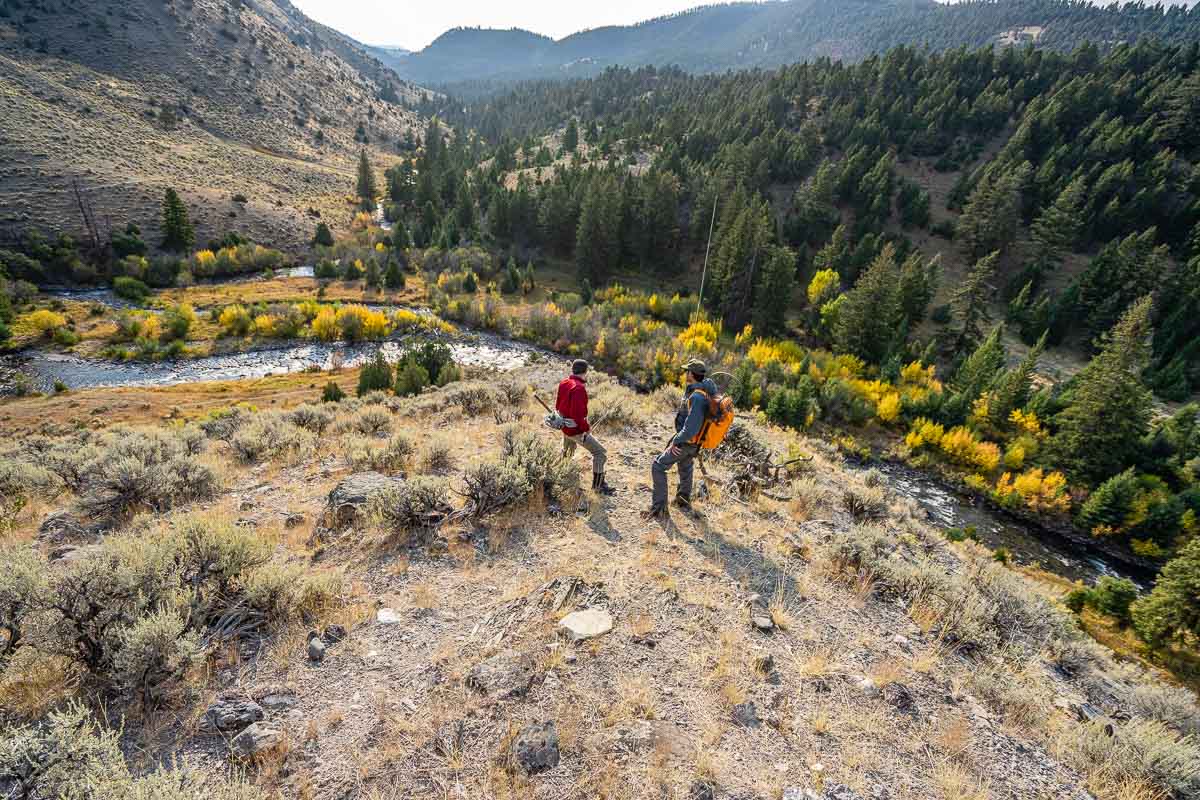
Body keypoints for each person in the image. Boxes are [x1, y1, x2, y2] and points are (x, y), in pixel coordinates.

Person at [645, 360, 718, 518]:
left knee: (658, 466)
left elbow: (691, 429)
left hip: (686, 442)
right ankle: (683, 501)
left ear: (692, 374)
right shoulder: (702, 392)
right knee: (686, 467)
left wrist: (676, 441)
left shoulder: (697, 397)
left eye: (687, 371)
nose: (685, 374)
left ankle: (659, 509)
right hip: (694, 443)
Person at [556, 359, 615, 495]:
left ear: (573, 369)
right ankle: (598, 487)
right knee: (600, 453)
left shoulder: (564, 382)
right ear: (585, 371)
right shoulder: (579, 388)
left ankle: (561, 475)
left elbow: (558, 406)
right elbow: (577, 415)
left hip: (564, 427)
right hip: (575, 429)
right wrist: (586, 429)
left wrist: (565, 421)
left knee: (568, 451)